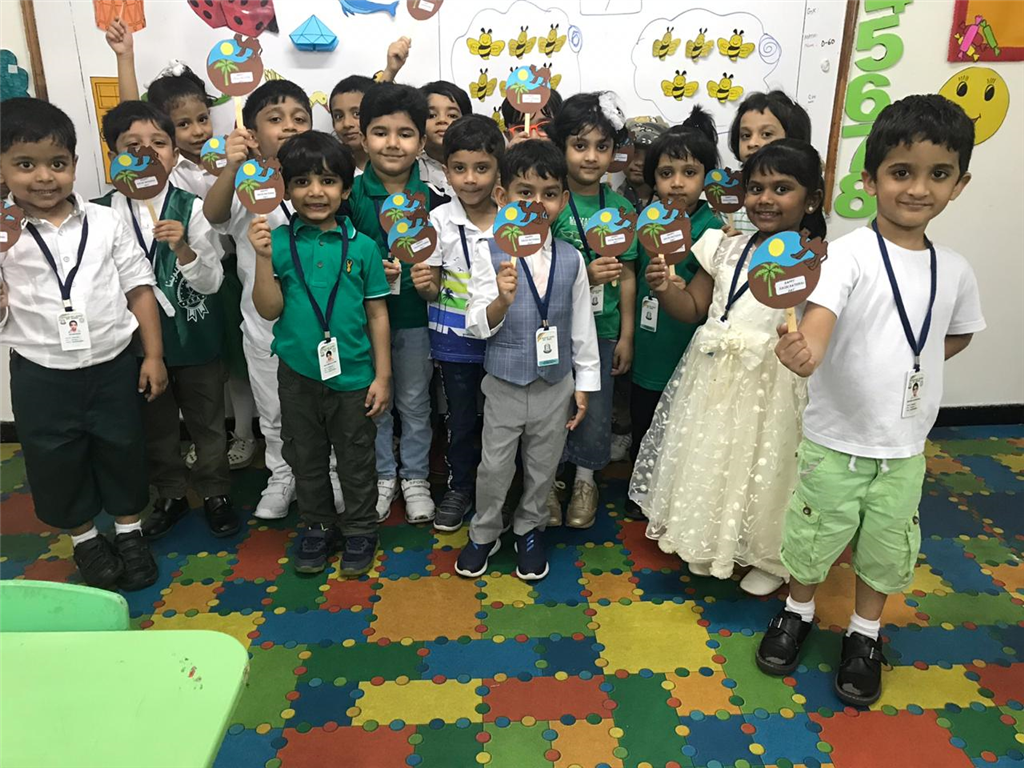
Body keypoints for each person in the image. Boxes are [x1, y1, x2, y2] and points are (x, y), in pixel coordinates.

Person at [757, 95, 985, 706]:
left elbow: (957, 333)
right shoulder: (849, 254)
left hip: (904, 446)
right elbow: (820, 321)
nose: (918, 189)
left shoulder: (955, 269)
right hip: (836, 440)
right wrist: (806, 350)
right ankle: (797, 611)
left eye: (939, 174)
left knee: (887, 546)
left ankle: (864, 633)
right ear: (870, 180)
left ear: (959, 184)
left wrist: (912, 364)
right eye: (901, 172)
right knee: (813, 536)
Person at [630, 138, 827, 596]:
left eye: (782, 189)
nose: (765, 199)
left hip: (771, 380)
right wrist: (666, 289)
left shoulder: (816, 262)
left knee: (766, 464)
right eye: (756, 188)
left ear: (811, 199)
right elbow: (694, 308)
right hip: (713, 372)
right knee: (711, 453)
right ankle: (704, 536)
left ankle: (768, 555)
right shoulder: (722, 245)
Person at [0, 98, 166, 590]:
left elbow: (139, 289)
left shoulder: (105, 221)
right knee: (55, 459)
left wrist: (153, 355)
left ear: (74, 163)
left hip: (111, 363)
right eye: (25, 165)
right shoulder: (3, 236)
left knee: (124, 448)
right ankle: (86, 539)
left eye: (57, 163)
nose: (44, 177)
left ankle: (130, 532)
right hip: (41, 371)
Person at [104, 18, 259, 469]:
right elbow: (132, 118)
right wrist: (125, 58)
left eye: (202, 119)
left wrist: (236, 162)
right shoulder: (163, 167)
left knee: (232, 362)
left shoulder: (224, 156)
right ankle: (198, 445)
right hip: (162, 282)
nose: (196, 130)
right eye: (182, 124)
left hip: (220, 274)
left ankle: (242, 434)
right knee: (182, 370)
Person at [249, 131, 392, 576]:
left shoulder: (363, 247)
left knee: (355, 458)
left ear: (346, 190)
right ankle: (317, 525)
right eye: (302, 182)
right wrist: (262, 258)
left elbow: (377, 314)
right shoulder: (278, 242)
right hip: (298, 375)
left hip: (353, 377)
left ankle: (361, 529)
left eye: (328, 181)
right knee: (305, 458)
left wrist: (382, 376)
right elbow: (268, 309)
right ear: (286, 190)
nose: (315, 191)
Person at [456, 140, 600, 580]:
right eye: (525, 192)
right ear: (502, 196)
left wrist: (583, 384)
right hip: (504, 382)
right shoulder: (489, 251)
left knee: (543, 466)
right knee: (494, 466)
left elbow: (582, 326)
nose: (537, 204)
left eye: (549, 194)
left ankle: (530, 527)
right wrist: (500, 301)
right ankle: (484, 530)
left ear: (563, 199)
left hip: (554, 385)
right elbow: (474, 324)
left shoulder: (572, 259)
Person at [96, 100, 238, 539]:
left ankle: (215, 492)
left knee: (208, 419)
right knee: (155, 423)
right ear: (113, 156)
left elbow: (212, 282)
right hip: (135, 341)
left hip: (195, 334)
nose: (146, 153)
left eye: (158, 143)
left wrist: (184, 249)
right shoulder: (100, 215)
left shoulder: (190, 207)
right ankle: (171, 493)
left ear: (174, 154)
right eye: (132, 146)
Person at [204, 80, 319, 521]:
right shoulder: (246, 187)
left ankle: (325, 471)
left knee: (322, 407)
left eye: (300, 118)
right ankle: (281, 474)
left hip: (321, 325)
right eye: (275, 119)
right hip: (264, 326)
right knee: (273, 408)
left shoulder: (320, 183)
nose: (289, 126)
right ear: (252, 133)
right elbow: (214, 215)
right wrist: (233, 167)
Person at [347, 82, 449, 524]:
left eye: (405, 134)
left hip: (414, 319)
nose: (392, 143)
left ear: (422, 142)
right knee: (375, 402)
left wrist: (430, 279)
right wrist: (368, 269)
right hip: (362, 322)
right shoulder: (349, 197)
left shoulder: (436, 200)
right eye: (380, 132)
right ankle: (383, 475)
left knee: (414, 400)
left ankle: (416, 477)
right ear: (363, 136)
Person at [626, 109, 724, 517]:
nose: (677, 183)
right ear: (653, 178)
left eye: (689, 172)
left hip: (687, 347)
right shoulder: (645, 222)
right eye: (666, 173)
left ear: (706, 178)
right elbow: (630, 278)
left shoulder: (714, 228)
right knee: (643, 415)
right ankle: (639, 487)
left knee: (680, 422)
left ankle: (670, 495)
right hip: (648, 343)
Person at [410, 114, 504, 532]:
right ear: (445, 171)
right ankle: (460, 486)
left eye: (482, 168)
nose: (470, 179)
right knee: (462, 419)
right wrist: (424, 285)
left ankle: (500, 492)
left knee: (502, 423)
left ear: (498, 169)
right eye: (460, 168)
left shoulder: (514, 220)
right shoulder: (437, 221)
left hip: (504, 341)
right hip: (454, 342)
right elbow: (431, 291)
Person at [549, 92, 637, 529]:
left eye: (602, 147)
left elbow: (629, 276)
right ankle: (547, 480)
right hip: (551, 329)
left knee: (597, 406)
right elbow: (538, 267)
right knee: (552, 406)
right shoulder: (548, 204)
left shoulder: (620, 209)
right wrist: (585, 273)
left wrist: (627, 334)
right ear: (561, 146)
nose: (591, 156)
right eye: (579, 145)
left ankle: (585, 480)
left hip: (601, 330)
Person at [727, 91, 811, 234]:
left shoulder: (802, 192)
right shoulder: (728, 195)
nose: (752, 143)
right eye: (746, 135)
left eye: (766, 134)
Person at [418, 81, 473, 199]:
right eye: (431, 115)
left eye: (452, 115)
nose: (442, 120)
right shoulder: (409, 167)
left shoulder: (478, 166)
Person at [617, 116, 668, 211]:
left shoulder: (671, 204)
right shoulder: (608, 201)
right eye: (634, 152)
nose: (640, 162)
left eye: (649, 154)